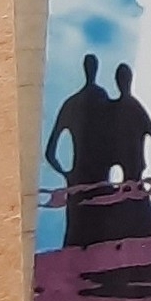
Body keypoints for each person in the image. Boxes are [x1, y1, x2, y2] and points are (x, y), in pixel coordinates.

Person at [44, 52, 113, 247]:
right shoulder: (101, 101)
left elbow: (50, 152)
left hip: (82, 178)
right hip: (97, 177)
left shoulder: (72, 103)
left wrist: (67, 174)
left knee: (77, 239)